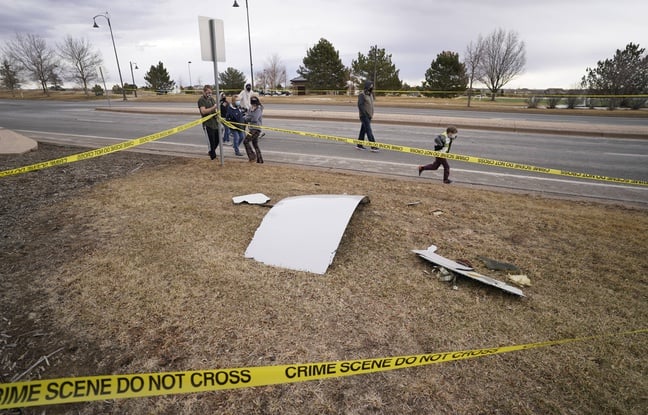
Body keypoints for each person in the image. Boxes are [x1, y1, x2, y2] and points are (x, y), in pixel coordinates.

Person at [197, 85, 220, 160]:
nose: (209, 93)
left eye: (211, 92)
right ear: (204, 92)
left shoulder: (212, 99)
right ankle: (213, 157)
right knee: (211, 142)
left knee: (218, 139)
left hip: (215, 123)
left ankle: (211, 151)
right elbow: (203, 111)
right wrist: (214, 107)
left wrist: (217, 114)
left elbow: (215, 110)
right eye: (208, 92)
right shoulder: (201, 100)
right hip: (207, 124)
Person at [356, 80, 379, 152]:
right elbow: (360, 105)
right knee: (369, 130)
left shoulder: (370, 94)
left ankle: (359, 145)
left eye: (372, 86)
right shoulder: (362, 95)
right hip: (364, 116)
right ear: (367, 86)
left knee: (363, 130)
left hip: (369, 116)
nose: (372, 87)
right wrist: (364, 114)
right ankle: (373, 146)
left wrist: (370, 114)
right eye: (370, 86)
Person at [243, 96, 264, 163]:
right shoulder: (250, 108)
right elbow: (247, 116)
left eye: (255, 103)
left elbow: (255, 119)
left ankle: (252, 156)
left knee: (246, 141)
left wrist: (248, 117)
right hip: (251, 128)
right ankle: (260, 160)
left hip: (256, 129)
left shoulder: (258, 109)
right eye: (253, 103)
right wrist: (248, 117)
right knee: (255, 144)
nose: (254, 105)